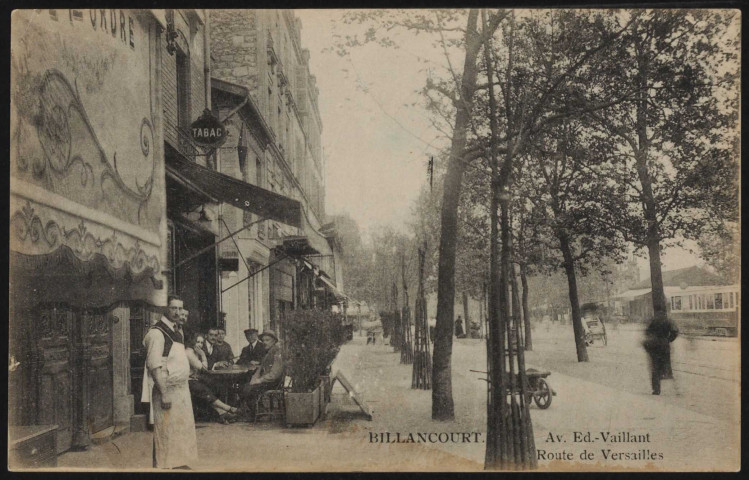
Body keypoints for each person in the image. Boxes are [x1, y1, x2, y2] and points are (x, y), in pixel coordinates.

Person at [141, 295, 198, 469]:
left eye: (180, 309)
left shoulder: (178, 331)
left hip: (182, 389)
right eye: (174, 308)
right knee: (166, 430)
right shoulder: (157, 333)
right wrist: (164, 393)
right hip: (166, 389)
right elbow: (154, 366)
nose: (178, 312)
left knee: (182, 428)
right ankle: (165, 467)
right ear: (164, 309)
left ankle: (180, 463)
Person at [185, 334, 239, 424]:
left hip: (192, 379)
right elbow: (203, 368)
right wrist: (203, 355)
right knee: (202, 389)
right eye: (197, 342)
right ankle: (228, 408)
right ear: (192, 342)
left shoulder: (194, 352)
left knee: (209, 386)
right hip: (186, 380)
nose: (200, 345)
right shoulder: (189, 352)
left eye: (202, 343)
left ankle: (222, 413)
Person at [241, 330, 284, 418]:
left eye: (267, 340)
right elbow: (260, 368)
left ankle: (255, 414)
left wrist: (259, 380)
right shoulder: (268, 352)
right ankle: (258, 410)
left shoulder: (276, 353)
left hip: (274, 383)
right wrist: (254, 379)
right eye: (263, 340)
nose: (264, 342)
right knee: (246, 386)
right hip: (267, 381)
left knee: (248, 390)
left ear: (274, 341)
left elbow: (274, 375)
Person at [642, 314, 679, 395]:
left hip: (654, 346)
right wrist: (669, 340)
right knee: (667, 365)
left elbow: (647, 332)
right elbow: (675, 331)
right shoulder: (668, 320)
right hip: (664, 345)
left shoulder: (653, 320)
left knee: (655, 367)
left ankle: (656, 389)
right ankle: (675, 388)